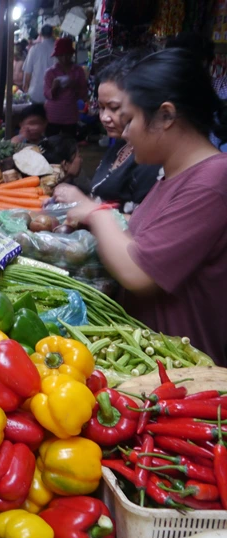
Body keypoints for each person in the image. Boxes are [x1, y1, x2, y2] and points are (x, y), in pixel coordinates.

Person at [66, 49, 227, 366]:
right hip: (151, 361)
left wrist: (95, 214)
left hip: (187, 375)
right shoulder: (172, 174)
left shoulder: (213, 181)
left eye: (130, 120)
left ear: (166, 116)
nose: (124, 133)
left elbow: (138, 272)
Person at [53, 52, 160, 213]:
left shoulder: (151, 160)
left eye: (114, 108)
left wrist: (84, 204)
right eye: (102, 108)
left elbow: (142, 226)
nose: (104, 117)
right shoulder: (120, 145)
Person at [43, 37, 87, 137]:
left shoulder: (78, 70)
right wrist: (54, 87)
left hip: (70, 114)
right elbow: (47, 94)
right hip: (53, 115)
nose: (64, 58)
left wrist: (74, 85)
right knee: (51, 143)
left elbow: (83, 94)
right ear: (57, 56)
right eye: (61, 55)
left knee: (69, 143)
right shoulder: (50, 72)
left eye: (67, 54)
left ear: (71, 54)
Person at [23, 24, 55, 104]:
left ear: (40, 34)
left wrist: (26, 86)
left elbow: (28, 71)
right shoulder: (57, 49)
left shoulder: (34, 49)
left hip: (36, 93)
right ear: (52, 34)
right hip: (54, 94)